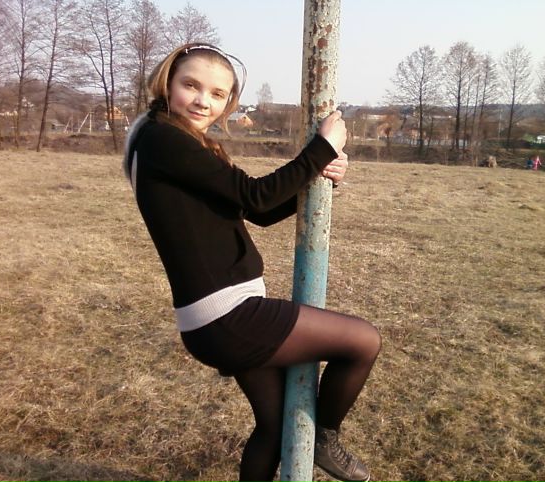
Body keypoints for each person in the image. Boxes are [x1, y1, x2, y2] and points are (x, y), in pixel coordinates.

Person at [123, 42, 381, 482]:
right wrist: (322, 148)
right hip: (227, 316)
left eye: (217, 93)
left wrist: (322, 181)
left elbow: (258, 211)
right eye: (191, 85)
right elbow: (256, 195)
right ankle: (324, 438)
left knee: (273, 427)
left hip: (218, 317)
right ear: (167, 83)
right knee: (363, 342)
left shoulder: (168, 139)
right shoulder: (162, 138)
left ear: (229, 101)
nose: (203, 100)